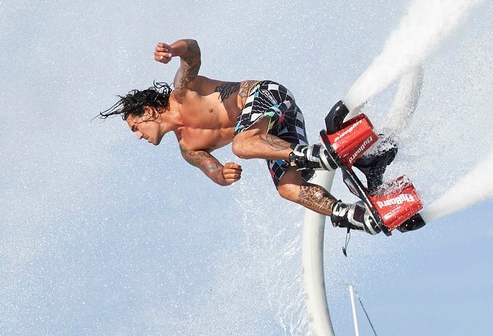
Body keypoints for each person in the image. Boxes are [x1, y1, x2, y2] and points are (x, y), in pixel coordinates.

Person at [101, 38, 396, 233]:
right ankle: (352, 214)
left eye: (135, 128)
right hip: (273, 132)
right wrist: (223, 175)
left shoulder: (181, 91)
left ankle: (321, 156)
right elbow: (212, 170)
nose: (138, 137)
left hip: (268, 96)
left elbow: (193, 51)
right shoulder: (188, 149)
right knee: (287, 187)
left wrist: (172, 50)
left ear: (148, 111)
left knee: (241, 145)